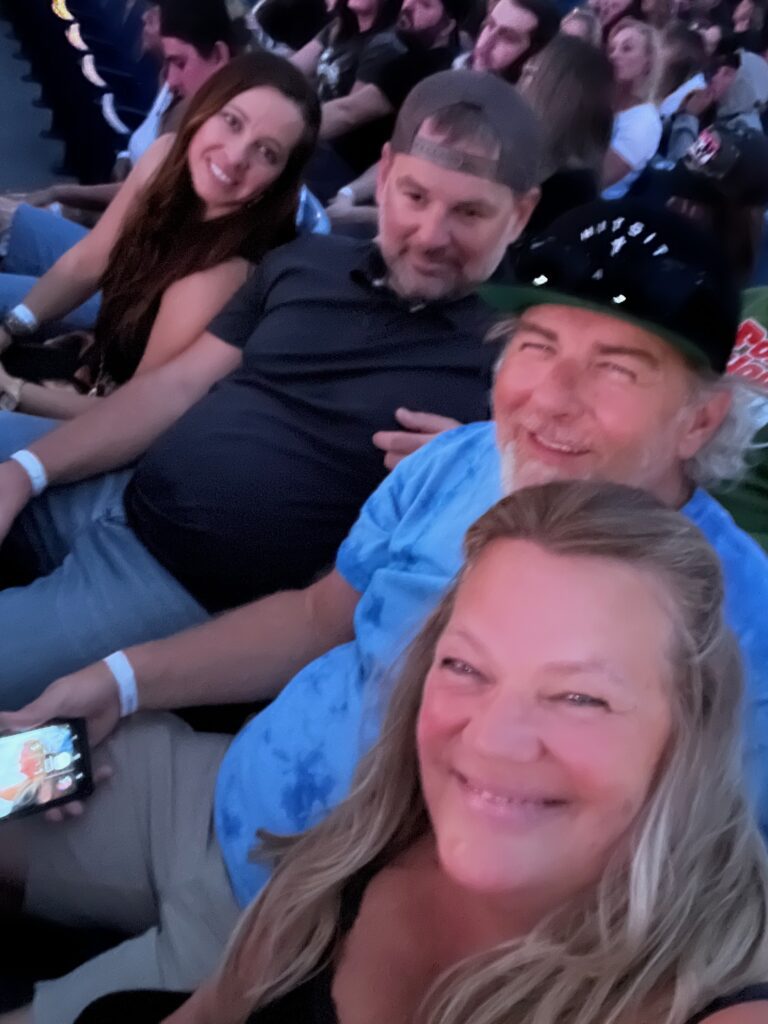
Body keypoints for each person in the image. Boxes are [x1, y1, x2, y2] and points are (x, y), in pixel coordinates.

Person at [4, 199, 767, 1022]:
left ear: (701, 419)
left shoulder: (737, 621)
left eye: (617, 366)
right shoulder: (455, 461)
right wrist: (117, 683)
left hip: (300, 933)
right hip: (213, 782)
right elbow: (315, 618)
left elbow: (709, 902)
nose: (552, 396)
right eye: (537, 345)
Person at [73, 483, 768, 1024]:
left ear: (690, 728)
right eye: (466, 667)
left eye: (581, 698)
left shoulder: (712, 1001)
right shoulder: (367, 839)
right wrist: (118, 682)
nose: (492, 740)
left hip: (212, 911)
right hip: (197, 788)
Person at [0, 69, 543, 707]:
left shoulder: (525, 363)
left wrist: (472, 478)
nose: (430, 235)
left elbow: (549, 539)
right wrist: (25, 472)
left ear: (522, 213)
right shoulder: (308, 263)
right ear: (388, 170)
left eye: (470, 212)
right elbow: (173, 389)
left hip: (177, 584)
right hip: (116, 485)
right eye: (415, 197)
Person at [0, 52, 321, 419]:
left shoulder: (220, 274)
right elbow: (89, 260)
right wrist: (12, 326)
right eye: (232, 122)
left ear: (276, 183)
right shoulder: (165, 157)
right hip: (97, 357)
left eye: (267, 152)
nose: (235, 157)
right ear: (206, 108)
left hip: (117, 425)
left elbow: (132, 414)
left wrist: (14, 393)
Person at [0, 0, 246, 336]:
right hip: (117, 254)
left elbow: (137, 215)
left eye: (181, 62)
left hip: (130, 298)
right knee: (7, 219)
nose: (173, 77)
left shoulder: (211, 136)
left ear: (218, 56)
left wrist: (62, 197)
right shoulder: (175, 83)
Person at [306, 0, 472, 201]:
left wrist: (294, 129)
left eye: (424, 4)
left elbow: (348, 112)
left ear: (448, 26)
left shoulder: (426, 67)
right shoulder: (410, 55)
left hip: (349, 173)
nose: (408, 6)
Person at [603, 18, 663, 197]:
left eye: (626, 48)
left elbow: (598, 179)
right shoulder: (600, 101)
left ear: (648, 62)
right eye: (611, 49)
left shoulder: (644, 121)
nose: (614, 55)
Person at [457, 0, 561, 81]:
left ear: (534, 53)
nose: (486, 43)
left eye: (508, 38)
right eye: (490, 24)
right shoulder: (455, 66)